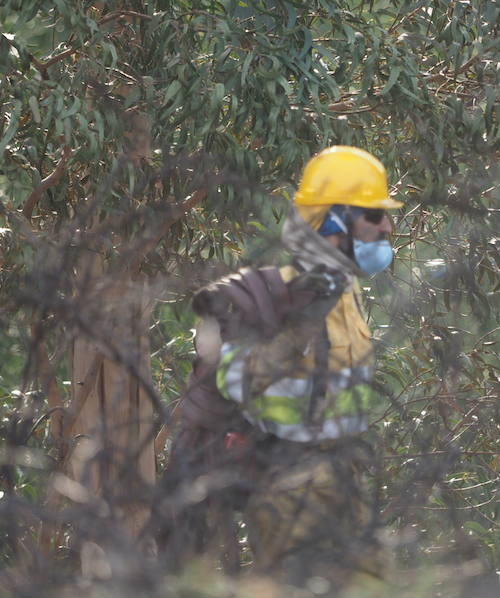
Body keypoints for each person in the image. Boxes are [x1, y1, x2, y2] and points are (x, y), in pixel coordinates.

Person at [159, 146, 402, 585]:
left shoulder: (347, 293)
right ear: (332, 222)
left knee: (374, 585)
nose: (387, 225)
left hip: (343, 474)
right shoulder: (276, 296)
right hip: (287, 479)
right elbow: (235, 380)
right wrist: (299, 325)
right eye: (372, 214)